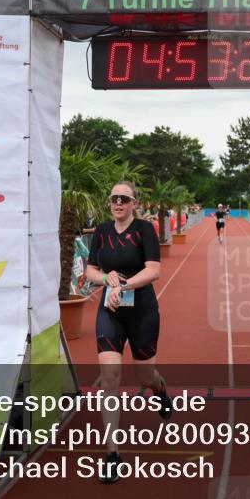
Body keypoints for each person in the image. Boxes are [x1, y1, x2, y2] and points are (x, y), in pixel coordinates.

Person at [85, 181, 169, 483]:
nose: (117, 203)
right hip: (110, 312)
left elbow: (154, 270)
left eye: (124, 199)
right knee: (110, 377)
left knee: (145, 376)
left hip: (142, 312)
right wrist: (105, 278)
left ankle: (160, 390)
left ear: (134, 203)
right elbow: (90, 271)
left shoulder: (145, 230)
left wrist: (125, 285)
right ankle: (112, 454)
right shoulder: (102, 232)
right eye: (113, 199)